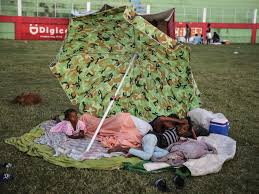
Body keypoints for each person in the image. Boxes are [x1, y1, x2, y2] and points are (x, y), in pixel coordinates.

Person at [108, 116, 196, 160]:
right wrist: (180, 122)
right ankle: (125, 149)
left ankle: (138, 152)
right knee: (147, 157)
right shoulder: (173, 128)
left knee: (165, 153)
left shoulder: (180, 138)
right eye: (182, 127)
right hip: (152, 138)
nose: (182, 129)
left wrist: (191, 130)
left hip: (155, 145)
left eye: (185, 129)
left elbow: (195, 140)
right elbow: (162, 119)